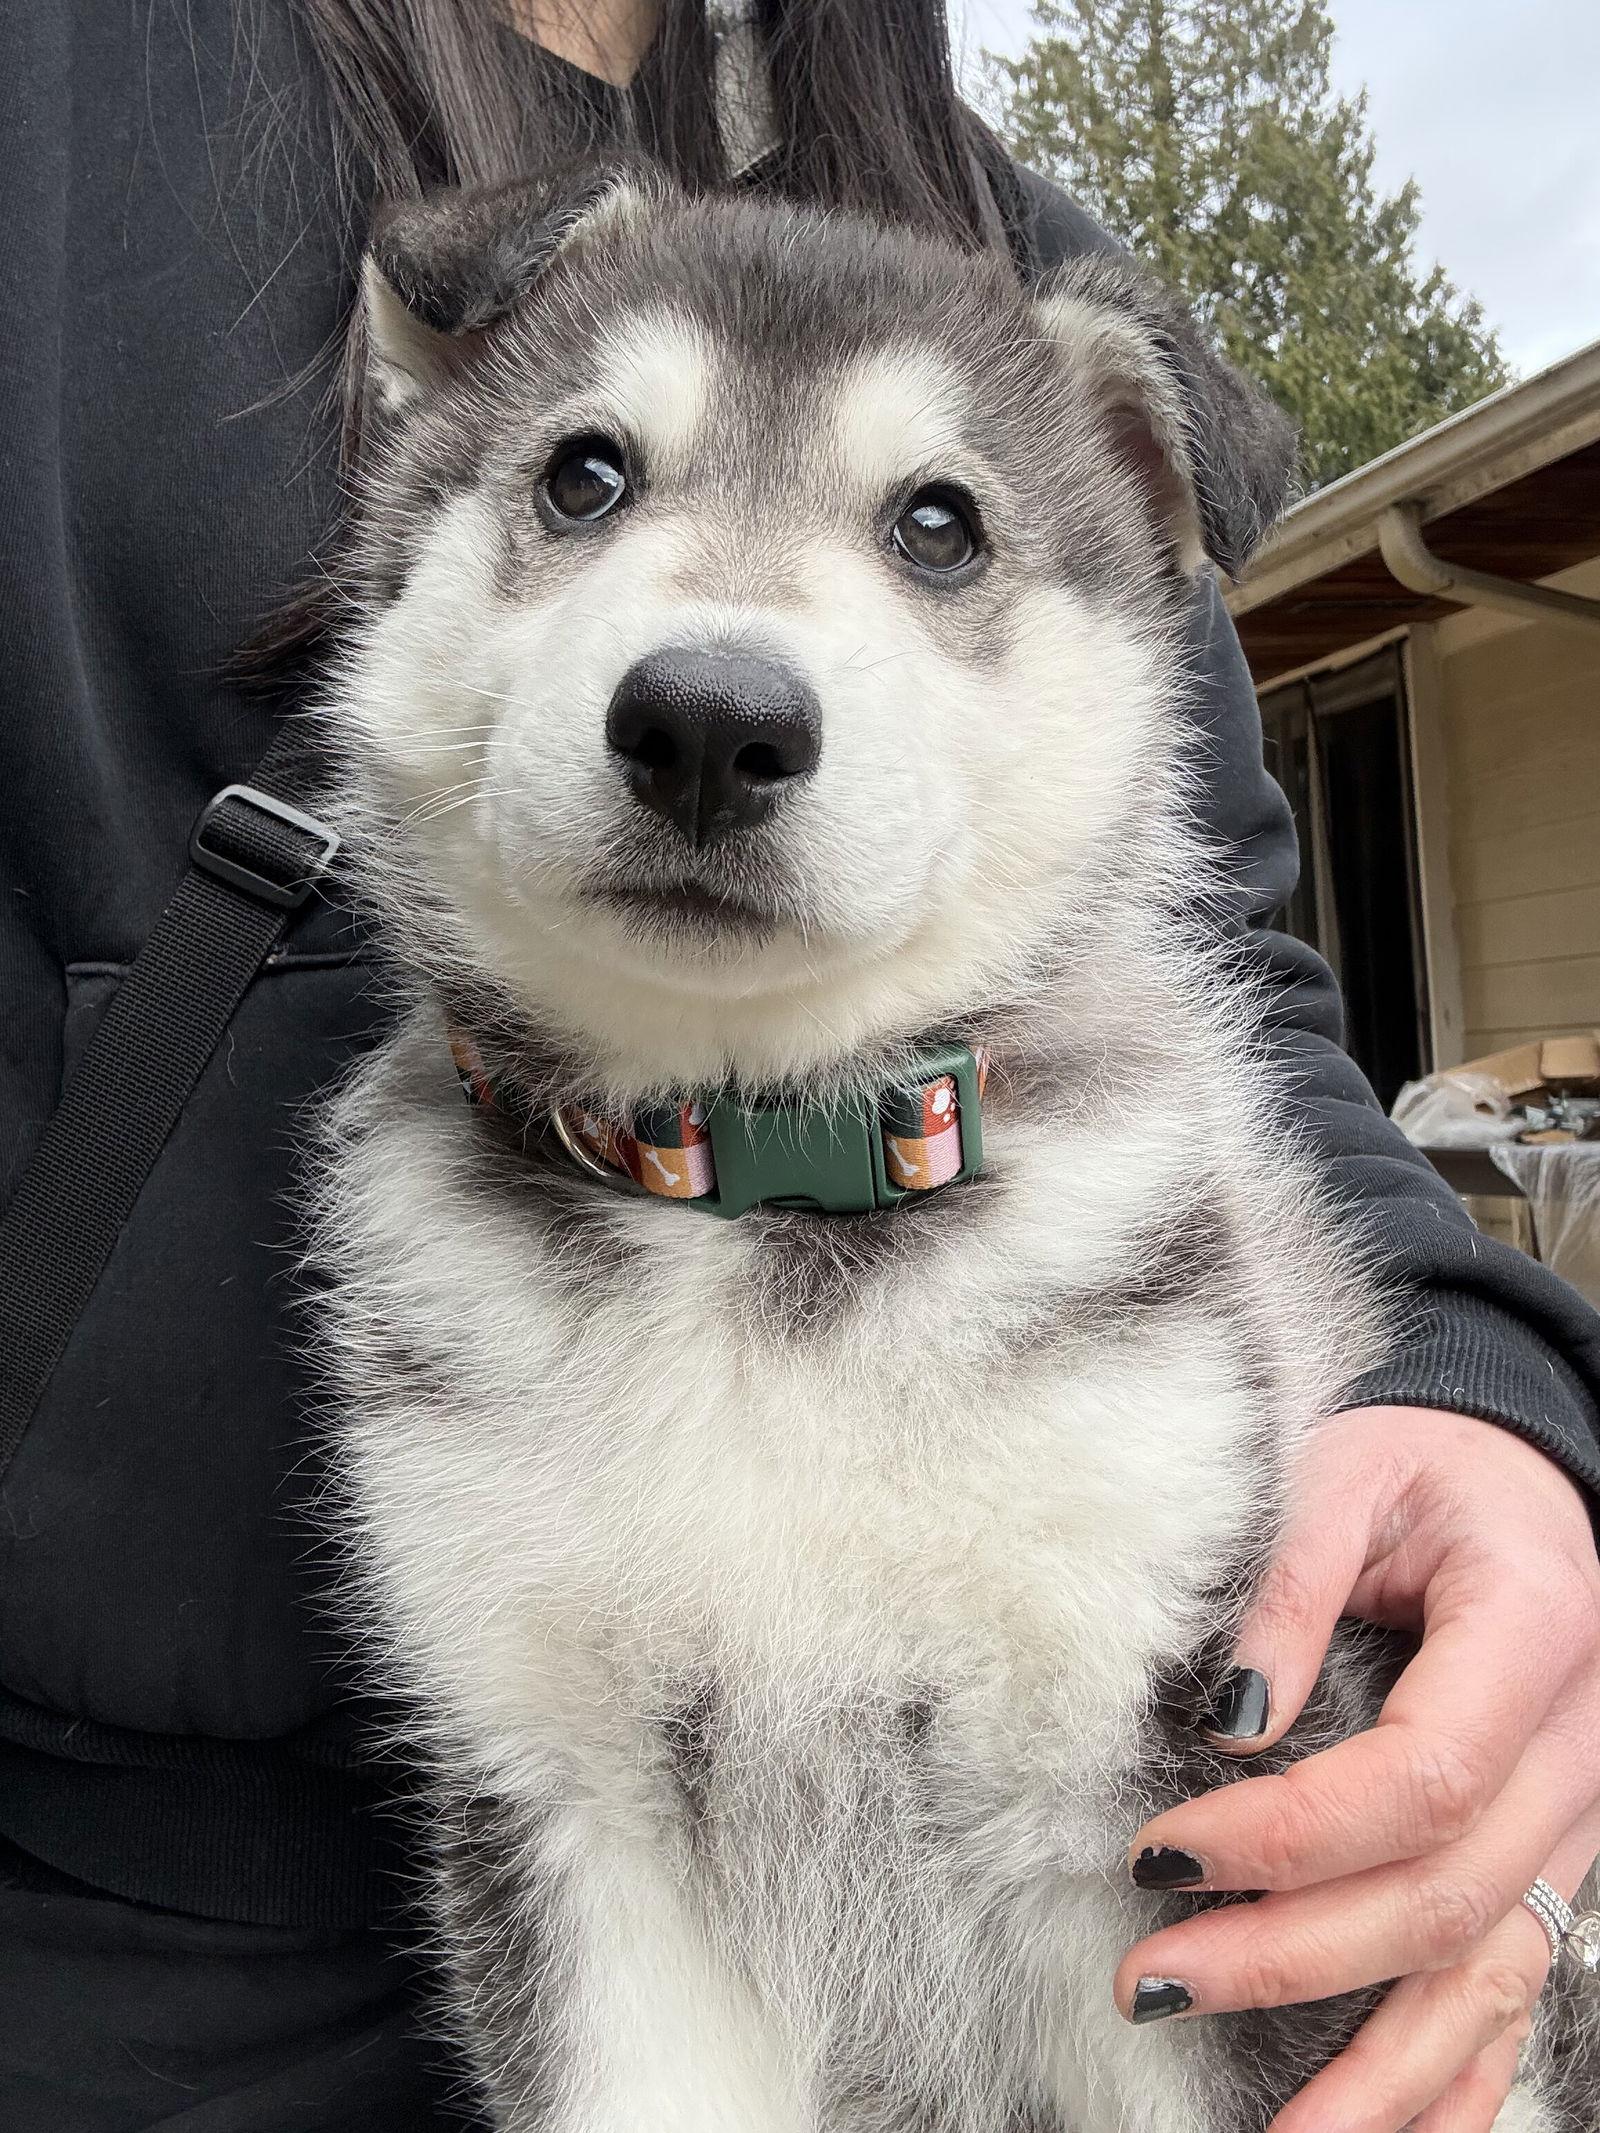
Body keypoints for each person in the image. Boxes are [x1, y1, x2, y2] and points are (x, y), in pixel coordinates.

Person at [1, 4, 1597, 2129]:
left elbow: (1244, 962)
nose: (716, 680)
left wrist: (1478, 1381)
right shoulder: (68, 91)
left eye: (933, 528)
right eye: (588, 473)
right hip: (108, 1942)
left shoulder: (983, 225)